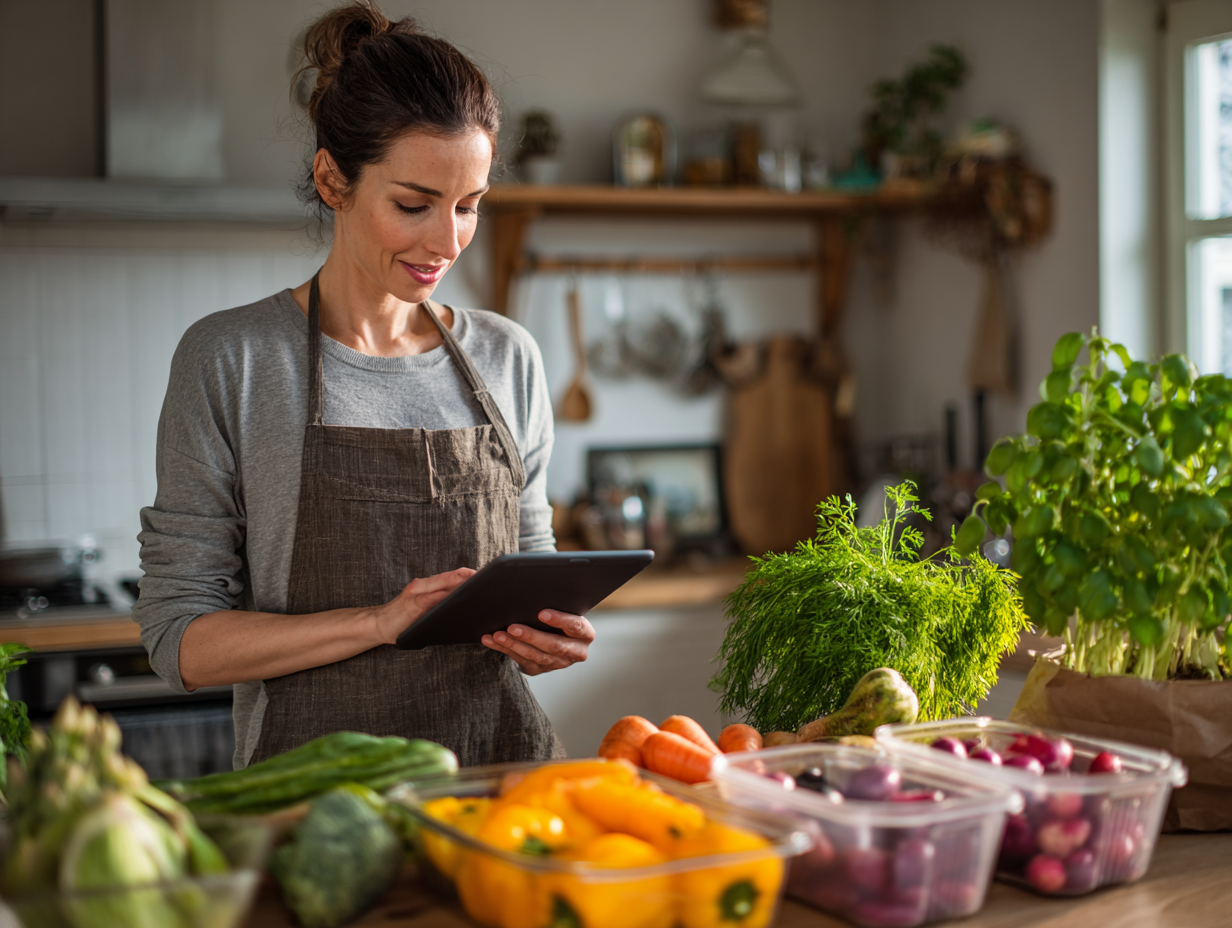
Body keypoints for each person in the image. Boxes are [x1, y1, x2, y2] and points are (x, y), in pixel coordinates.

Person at [134, 1, 591, 769]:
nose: (446, 242)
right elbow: (180, 643)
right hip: (312, 814)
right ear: (331, 179)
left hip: (502, 790)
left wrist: (549, 634)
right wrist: (379, 623)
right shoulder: (233, 360)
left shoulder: (507, 358)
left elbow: (531, 569)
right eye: (413, 205)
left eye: (468, 206)